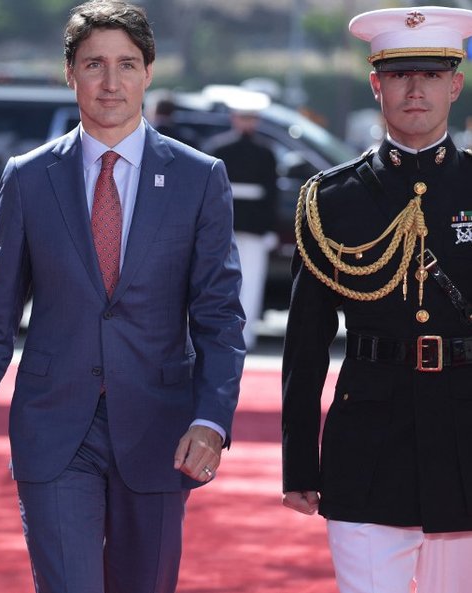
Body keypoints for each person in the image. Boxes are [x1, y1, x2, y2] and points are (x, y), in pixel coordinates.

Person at [0, 3, 245, 592]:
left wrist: (211, 418)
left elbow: (219, 318)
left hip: (160, 429)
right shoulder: (28, 177)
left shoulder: (200, 179)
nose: (111, 81)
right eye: (94, 64)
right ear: (69, 73)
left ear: (149, 71)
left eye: (126, 63)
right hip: (54, 426)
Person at [282, 7, 472, 593]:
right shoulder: (332, 199)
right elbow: (306, 345)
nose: (415, 89)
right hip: (367, 443)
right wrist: (299, 463)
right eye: (399, 74)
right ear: (376, 83)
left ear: (456, 84)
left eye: (432, 74)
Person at [202, 92, 278, 350]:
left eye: (251, 118)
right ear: (234, 118)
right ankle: (223, 331)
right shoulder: (219, 149)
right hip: (227, 226)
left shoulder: (264, 152)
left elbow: (271, 193)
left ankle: (246, 334)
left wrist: (269, 228)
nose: (247, 122)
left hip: (253, 227)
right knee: (222, 282)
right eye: (243, 117)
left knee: (251, 282)